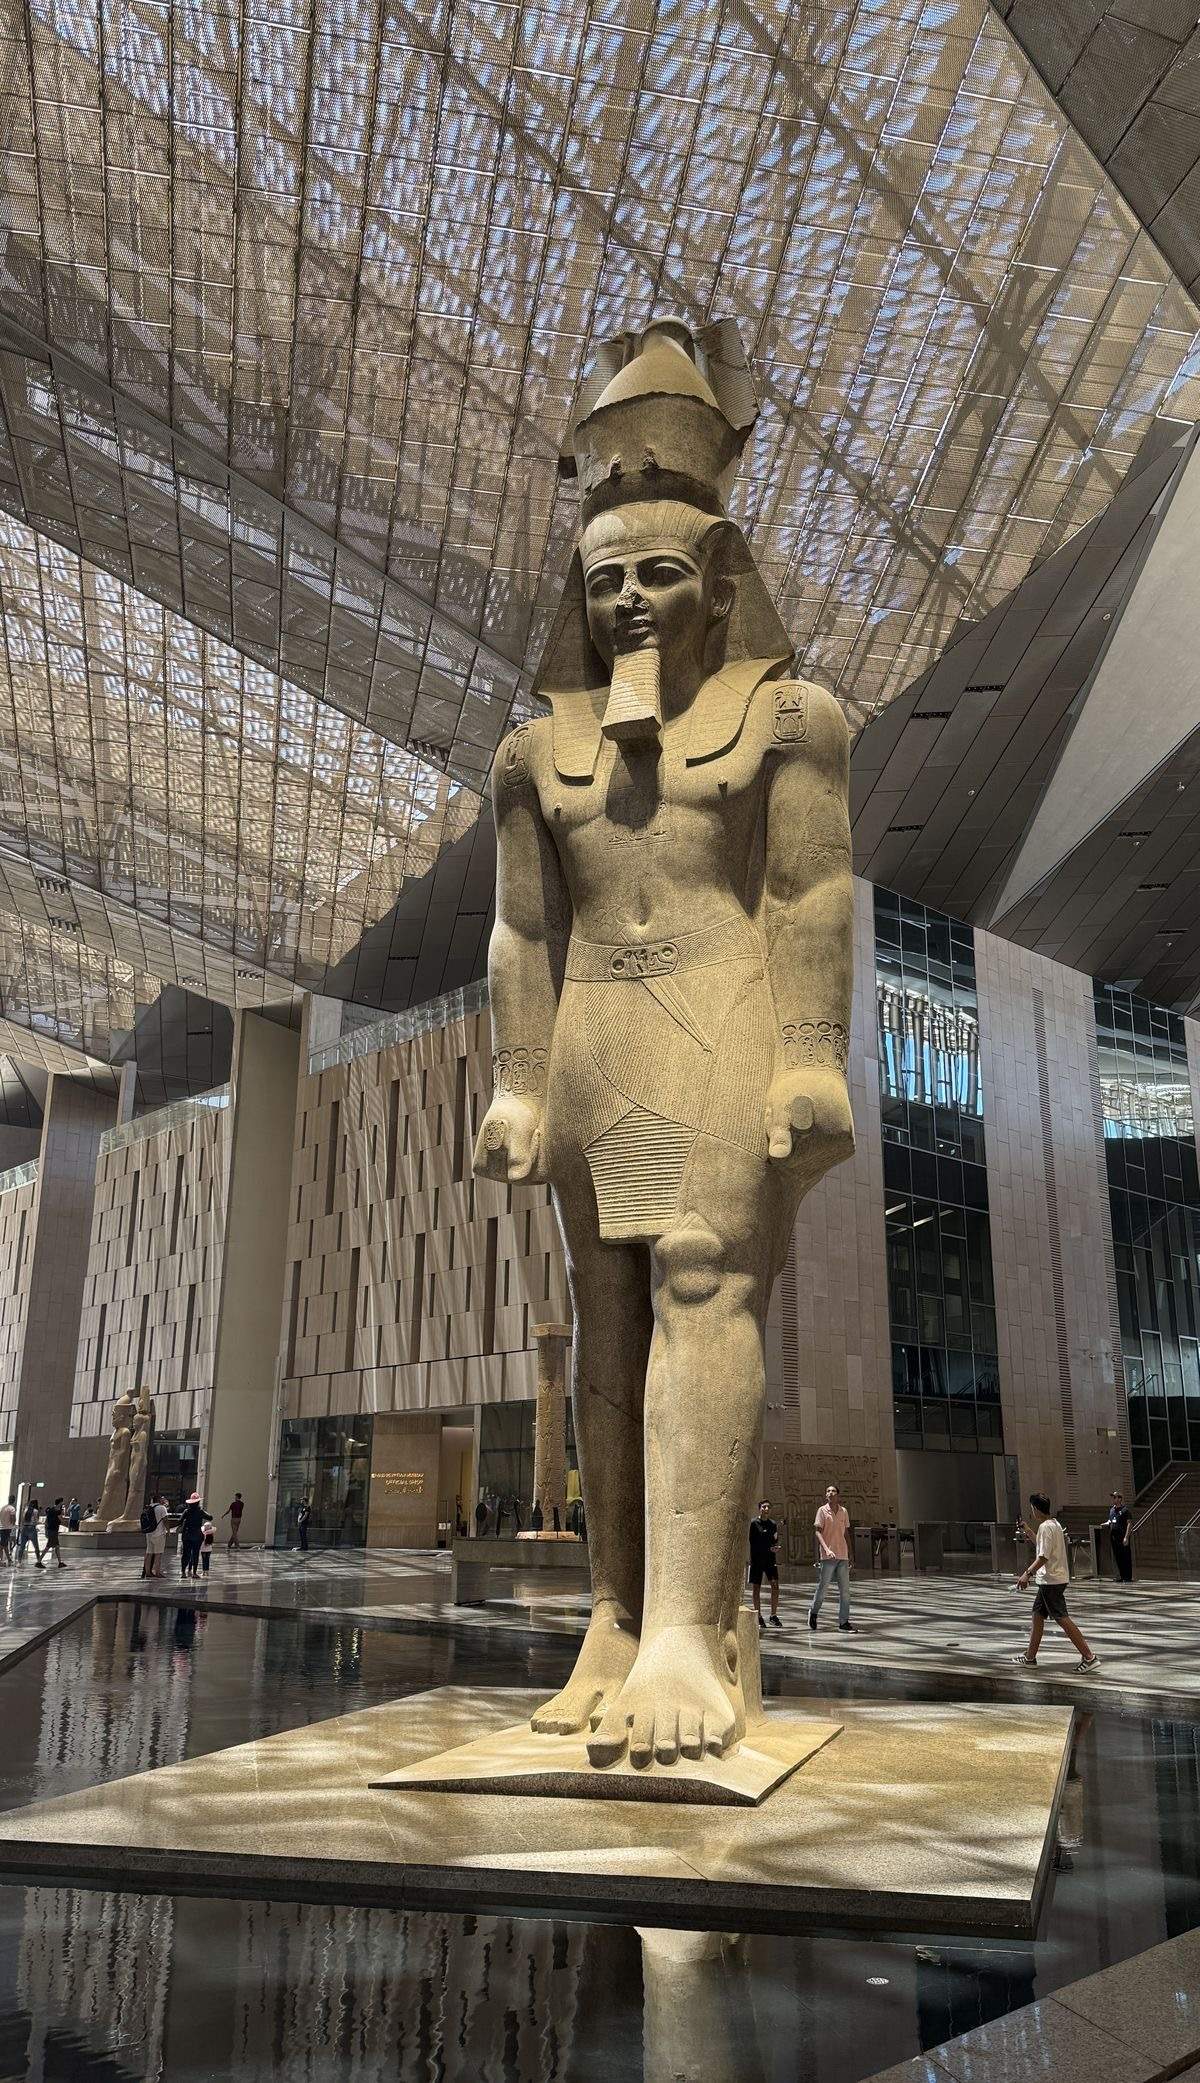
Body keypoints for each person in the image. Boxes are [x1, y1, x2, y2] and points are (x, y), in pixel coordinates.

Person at [1013, 1493, 1099, 1672]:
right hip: (1055, 1579)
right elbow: (1042, 1546)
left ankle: (1089, 1657)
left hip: (1050, 1581)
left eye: (1031, 1508)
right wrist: (1027, 1530)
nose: (1031, 1511)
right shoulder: (1055, 1524)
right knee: (1037, 1615)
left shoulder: (1045, 1527)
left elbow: (1043, 1556)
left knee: (1062, 1618)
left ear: (1036, 1509)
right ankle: (1030, 1657)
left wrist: (1027, 1574)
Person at [809, 1483, 855, 1632]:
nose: (830, 1493)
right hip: (828, 1556)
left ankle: (844, 1621)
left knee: (845, 1591)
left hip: (842, 1555)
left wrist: (851, 1553)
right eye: (828, 1491)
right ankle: (813, 1612)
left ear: (838, 1495)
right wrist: (826, 1549)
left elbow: (846, 1533)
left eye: (833, 1491)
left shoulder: (843, 1512)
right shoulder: (822, 1511)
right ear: (826, 1495)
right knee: (823, 1588)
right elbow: (817, 1532)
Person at [749, 1501, 782, 1629]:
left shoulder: (773, 1524)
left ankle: (773, 1615)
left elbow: (774, 1540)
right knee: (756, 1587)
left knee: (775, 1585)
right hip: (757, 1560)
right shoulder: (754, 1523)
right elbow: (752, 1541)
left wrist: (775, 1547)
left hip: (770, 1559)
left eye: (768, 1507)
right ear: (759, 1509)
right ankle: (758, 1616)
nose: (766, 1508)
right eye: (764, 1507)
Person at [1106, 1491, 1133, 1584]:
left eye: (1115, 1497)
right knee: (1118, 1557)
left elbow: (1129, 1523)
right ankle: (1121, 1576)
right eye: (1113, 1497)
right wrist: (1106, 1523)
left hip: (1122, 1536)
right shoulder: (1112, 1510)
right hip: (1114, 1537)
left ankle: (1127, 1577)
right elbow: (1110, 1521)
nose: (1113, 1499)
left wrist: (1126, 1537)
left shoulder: (1125, 1510)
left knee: (1125, 1556)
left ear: (1120, 1499)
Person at [179, 1492, 206, 1578]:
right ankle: (194, 1572)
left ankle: (183, 1572)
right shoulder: (200, 1511)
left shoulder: (186, 1511)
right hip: (197, 1535)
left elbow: (180, 1520)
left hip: (187, 1534)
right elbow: (210, 1517)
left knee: (185, 1554)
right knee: (195, 1553)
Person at [144, 1494, 169, 1580]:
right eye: (162, 1499)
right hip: (159, 1533)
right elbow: (165, 1520)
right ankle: (157, 1572)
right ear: (158, 1500)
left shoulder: (149, 1507)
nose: (163, 1500)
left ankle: (147, 1572)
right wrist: (168, 1530)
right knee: (158, 1553)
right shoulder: (162, 1508)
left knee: (149, 1553)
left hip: (149, 1533)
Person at [17, 1498, 44, 1568]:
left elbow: (22, 1520)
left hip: (24, 1528)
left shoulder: (25, 1510)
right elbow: (36, 1521)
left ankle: (19, 1562)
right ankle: (39, 1561)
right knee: (36, 1547)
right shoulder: (35, 1511)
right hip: (32, 1528)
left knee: (22, 1546)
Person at [43, 1497, 66, 1568]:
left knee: (57, 1547)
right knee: (48, 1547)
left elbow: (47, 1521)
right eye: (62, 1503)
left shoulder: (51, 1509)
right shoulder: (57, 1511)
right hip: (53, 1531)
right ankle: (39, 1561)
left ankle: (60, 1562)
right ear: (60, 1503)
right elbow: (61, 1519)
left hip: (52, 1530)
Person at [0, 1496, 14, 1566]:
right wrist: (13, 1525)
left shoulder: (3, 1508)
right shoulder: (12, 1508)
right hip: (7, 1528)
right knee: (2, 1545)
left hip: (2, 1527)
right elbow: (12, 1518)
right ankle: (1, 1560)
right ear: (13, 1500)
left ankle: (9, 1559)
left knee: (5, 1544)